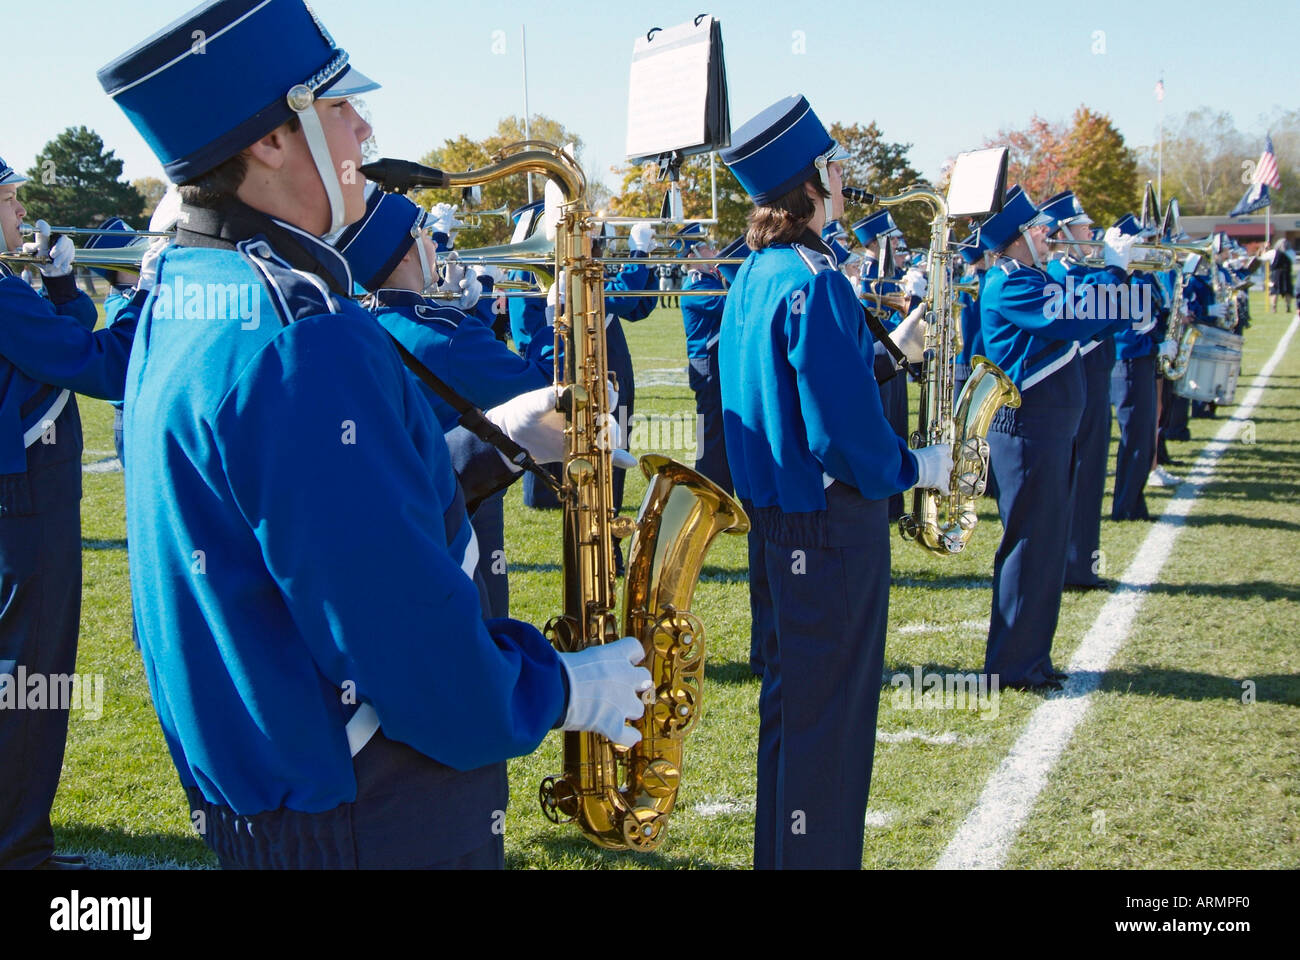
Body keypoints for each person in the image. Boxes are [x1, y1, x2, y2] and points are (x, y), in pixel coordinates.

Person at [95, 0, 651, 869]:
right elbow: (415, 657)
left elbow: (301, 522)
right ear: (270, 143)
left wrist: (492, 440)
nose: (364, 127)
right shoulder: (301, 332)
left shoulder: (191, 292)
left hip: (282, 800)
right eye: (336, 104)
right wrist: (563, 688)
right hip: (373, 809)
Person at [718, 95, 951, 869]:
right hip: (831, 529)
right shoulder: (814, 278)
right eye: (835, 166)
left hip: (780, 522)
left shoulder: (758, 271)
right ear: (814, 179)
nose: (844, 177)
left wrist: (885, 353)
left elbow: (793, 388)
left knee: (793, 715)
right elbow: (839, 436)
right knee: (835, 732)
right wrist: (916, 467)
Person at [332, 184, 555, 618]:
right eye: (424, 234)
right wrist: (553, 318)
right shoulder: (448, 334)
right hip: (464, 503)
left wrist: (472, 317)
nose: (435, 243)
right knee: (487, 625)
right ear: (402, 254)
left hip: (401, 507)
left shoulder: (360, 322)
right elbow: (542, 389)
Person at [0, 159, 136, 870]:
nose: (22, 213)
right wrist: (139, 289)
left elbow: (58, 343)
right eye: (12, 200)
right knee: (31, 673)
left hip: (16, 490)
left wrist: (59, 287)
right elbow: (101, 366)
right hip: (23, 500)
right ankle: (16, 848)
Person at [979, 186, 1141, 690]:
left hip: (1047, 426)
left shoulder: (1029, 278)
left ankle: (1031, 659)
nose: (1047, 233)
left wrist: (1113, 275)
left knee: (1045, 545)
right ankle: (1013, 665)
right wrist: (1116, 270)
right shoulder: (1011, 284)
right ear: (1018, 237)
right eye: (1038, 228)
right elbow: (1080, 314)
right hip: (1028, 428)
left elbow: (1105, 311)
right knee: (1030, 545)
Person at [1041, 191, 1116, 585]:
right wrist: (1117, 274)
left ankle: (1082, 563)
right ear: (1064, 232)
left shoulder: (1084, 270)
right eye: (1084, 226)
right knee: (1079, 474)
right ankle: (1074, 566)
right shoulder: (1059, 273)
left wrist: (1128, 275)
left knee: (1090, 476)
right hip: (1077, 378)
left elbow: (1118, 318)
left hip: (1096, 377)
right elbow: (1091, 314)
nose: (1092, 232)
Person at [675, 223, 732, 495]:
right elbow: (726, 307)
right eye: (707, 247)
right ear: (692, 256)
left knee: (722, 426)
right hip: (706, 362)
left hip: (714, 361)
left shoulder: (711, 281)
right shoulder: (696, 284)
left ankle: (722, 485)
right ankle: (710, 489)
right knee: (712, 431)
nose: (714, 251)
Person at [1269, 237, 1293, 314]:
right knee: (1287, 291)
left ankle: (1274, 307)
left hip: (1277, 274)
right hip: (1286, 273)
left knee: (1275, 291)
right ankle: (1288, 306)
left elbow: (1264, 258)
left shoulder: (1273, 252)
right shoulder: (1291, 252)